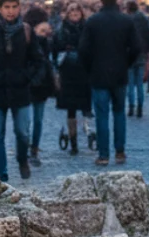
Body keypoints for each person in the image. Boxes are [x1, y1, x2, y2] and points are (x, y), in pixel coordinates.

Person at [0, 0, 45, 180]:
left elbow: (38, 60)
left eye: (14, 7)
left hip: (20, 90)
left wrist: (25, 76)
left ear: (19, 8)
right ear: (0, 8)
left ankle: (22, 159)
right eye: (7, 7)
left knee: (23, 132)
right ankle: (1, 174)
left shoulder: (26, 30)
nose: (11, 11)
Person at [79, 0, 141, 166]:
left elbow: (83, 49)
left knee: (102, 115)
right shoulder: (126, 20)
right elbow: (136, 48)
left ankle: (104, 154)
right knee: (119, 113)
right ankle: (120, 151)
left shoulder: (93, 21)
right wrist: (126, 63)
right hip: (120, 73)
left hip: (98, 74)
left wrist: (90, 67)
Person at [54, 3, 93, 154]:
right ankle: (73, 141)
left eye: (77, 10)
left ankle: (89, 135)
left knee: (86, 107)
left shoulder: (87, 28)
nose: (75, 13)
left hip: (84, 72)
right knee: (70, 110)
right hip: (68, 72)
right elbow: (56, 48)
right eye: (72, 11)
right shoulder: (62, 29)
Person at [26, 12, 56, 165]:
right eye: (43, 30)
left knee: (37, 120)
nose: (46, 33)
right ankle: (26, 148)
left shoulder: (47, 43)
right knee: (26, 120)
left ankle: (34, 149)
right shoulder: (26, 42)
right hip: (28, 84)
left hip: (42, 86)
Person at [127, 1, 149, 117]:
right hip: (142, 53)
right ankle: (140, 108)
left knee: (130, 83)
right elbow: (148, 35)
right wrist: (148, 52)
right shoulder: (144, 19)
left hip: (129, 54)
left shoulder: (126, 19)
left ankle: (131, 107)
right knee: (140, 84)